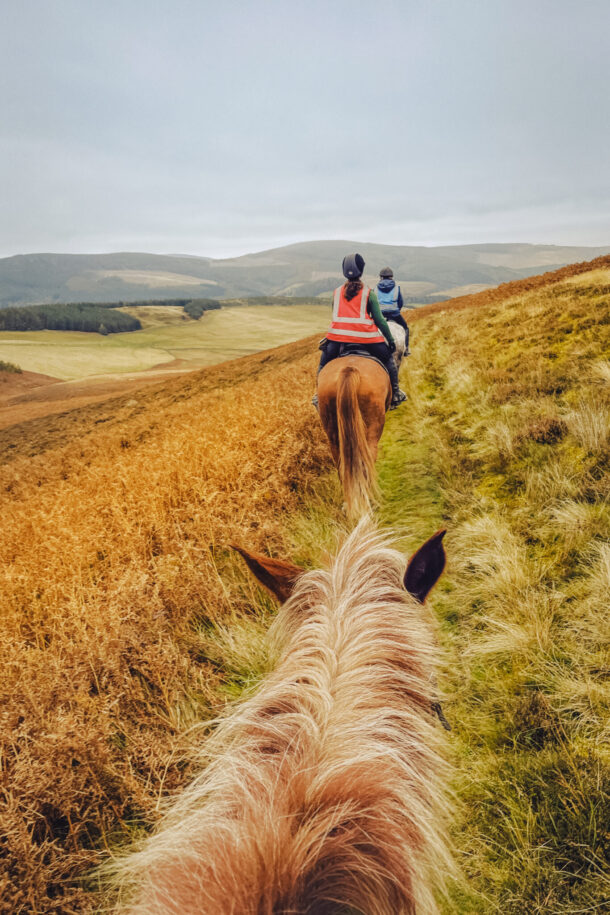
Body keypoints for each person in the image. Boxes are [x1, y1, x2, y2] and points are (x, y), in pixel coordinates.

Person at [315, 253, 406, 407]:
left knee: (323, 364)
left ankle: (318, 396)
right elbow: (380, 321)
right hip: (366, 338)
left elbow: (335, 314)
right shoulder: (368, 293)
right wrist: (390, 340)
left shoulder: (336, 293)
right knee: (388, 359)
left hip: (337, 338)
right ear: (361, 271)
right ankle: (396, 393)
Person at [376, 266, 411, 354]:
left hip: (380, 315)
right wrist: (396, 310)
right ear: (391, 277)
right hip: (394, 314)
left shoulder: (375, 289)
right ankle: (406, 349)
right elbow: (400, 303)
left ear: (381, 277)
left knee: (369, 328)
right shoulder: (396, 288)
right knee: (405, 328)